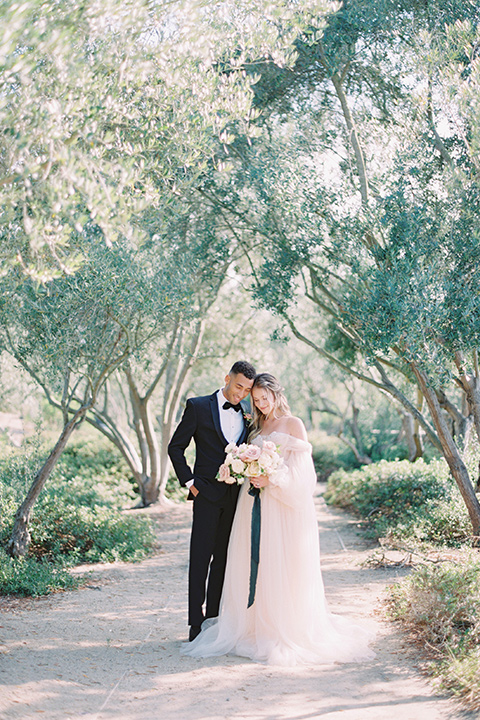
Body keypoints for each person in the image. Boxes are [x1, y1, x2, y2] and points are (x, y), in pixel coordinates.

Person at [181, 372, 375, 665]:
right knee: (251, 563)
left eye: (264, 398)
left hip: (280, 507)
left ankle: (281, 626)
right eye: (256, 400)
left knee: (279, 564)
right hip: (252, 504)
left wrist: (271, 480)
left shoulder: (293, 424)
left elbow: (304, 476)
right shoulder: (255, 428)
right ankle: (248, 624)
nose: (260, 404)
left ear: (276, 394)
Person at [168, 360, 256, 642]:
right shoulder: (198, 406)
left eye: (246, 390)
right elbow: (175, 447)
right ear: (227, 378)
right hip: (205, 495)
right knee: (200, 559)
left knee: (223, 560)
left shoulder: (246, 413)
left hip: (235, 497)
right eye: (238, 386)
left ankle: (213, 619)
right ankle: (195, 623)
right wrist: (191, 483)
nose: (241, 394)